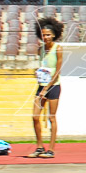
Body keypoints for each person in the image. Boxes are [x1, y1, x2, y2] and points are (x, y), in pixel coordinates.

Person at [29, 17, 64, 158]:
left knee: (51, 118)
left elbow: (57, 71)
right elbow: (44, 68)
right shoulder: (40, 49)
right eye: (43, 35)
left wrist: (46, 89)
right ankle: (39, 147)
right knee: (35, 116)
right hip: (41, 85)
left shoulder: (58, 49)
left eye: (48, 34)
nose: (46, 37)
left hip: (53, 87)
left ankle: (51, 150)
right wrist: (37, 73)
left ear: (54, 34)